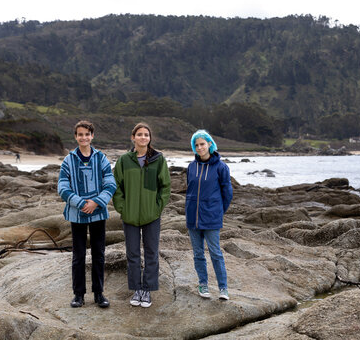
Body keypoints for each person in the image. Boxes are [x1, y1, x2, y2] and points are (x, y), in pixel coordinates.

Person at [58, 120, 117, 308]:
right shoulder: (69, 160)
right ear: (76, 137)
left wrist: (96, 202)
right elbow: (62, 187)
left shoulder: (101, 158)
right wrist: (82, 203)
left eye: (87, 134)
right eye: (80, 134)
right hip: (77, 214)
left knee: (99, 254)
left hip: (98, 213)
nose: (84, 137)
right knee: (79, 255)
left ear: (92, 136)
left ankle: (99, 294)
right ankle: (78, 295)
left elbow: (110, 184)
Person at [113, 122, 171, 308]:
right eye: (139, 134)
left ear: (149, 138)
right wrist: (122, 207)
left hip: (151, 215)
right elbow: (116, 186)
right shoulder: (124, 160)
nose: (143, 137)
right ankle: (136, 288)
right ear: (133, 137)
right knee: (132, 253)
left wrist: (157, 207)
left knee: (152, 253)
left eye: (146, 134)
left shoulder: (158, 159)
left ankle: (147, 289)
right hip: (129, 216)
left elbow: (165, 186)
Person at [185, 130, 233, 300]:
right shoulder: (191, 167)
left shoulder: (221, 167)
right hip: (193, 218)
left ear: (210, 144)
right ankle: (203, 284)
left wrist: (218, 211)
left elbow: (227, 193)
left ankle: (223, 288)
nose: (199, 147)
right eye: (196, 145)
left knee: (215, 253)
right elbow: (189, 190)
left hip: (212, 218)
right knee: (198, 254)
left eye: (202, 144)